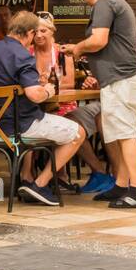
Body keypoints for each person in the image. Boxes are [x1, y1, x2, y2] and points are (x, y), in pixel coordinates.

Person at [0, 10, 86, 206]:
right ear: (30, 33)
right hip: (21, 125)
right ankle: (40, 184)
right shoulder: (22, 55)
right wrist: (49, 91)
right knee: (78, 133)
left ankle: (32, 176)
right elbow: (35, 95)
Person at [66, 0, 136, 209]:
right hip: (121, 79)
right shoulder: (115, 1)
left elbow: (98, 40)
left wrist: (78, 48)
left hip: (122, 80)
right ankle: (122, 185)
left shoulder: (104, 3)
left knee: (125, 134)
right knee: (117, 133)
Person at [31, 12, 112, 194]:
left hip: (62, 105)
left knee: (70, 123)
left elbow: (69, 81)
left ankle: (60, 176)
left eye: (43, 30)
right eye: (35, 32)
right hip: (37, 103)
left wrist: (45, 82)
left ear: (52, 31)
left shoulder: (62, 52)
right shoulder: (28, 52)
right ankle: (44, 175)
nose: (39, 35)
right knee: (36, 121)